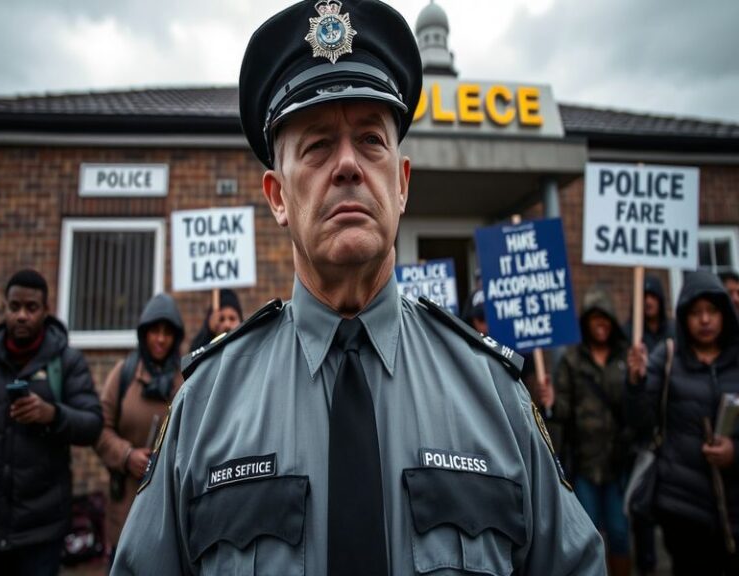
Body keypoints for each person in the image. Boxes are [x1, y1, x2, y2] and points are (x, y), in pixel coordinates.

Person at [112, 1, 605, 574]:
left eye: (371, 140)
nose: (347, 165)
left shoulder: (494, 393)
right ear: (277, 197)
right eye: (317, 146)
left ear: (401, 183)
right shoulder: (205, 403)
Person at [0, 269, 102, 576]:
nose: (21, 316)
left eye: (31, 308)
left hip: (40, 534)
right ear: (4, 307)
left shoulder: (67, 362)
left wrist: (53, 414)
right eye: (14, 307)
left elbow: (92, 424)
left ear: (46, 311)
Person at [628, 271, 739, 576]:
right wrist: (636, 383)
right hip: (682, 508)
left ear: (725, 314)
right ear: (683, 317)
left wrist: (735, 451)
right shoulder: (667, 357)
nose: (705, 320)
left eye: (712, 311)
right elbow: (640, 420)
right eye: (695, 312)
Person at [540, 288, 632, 576]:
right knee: (587, 535)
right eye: (595, 318)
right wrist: (552, 403)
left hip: (617, 465)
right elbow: (563, 413)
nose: (601, 324)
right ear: (586, 323)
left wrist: (640, 380)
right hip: (584, 464)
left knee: (619, 533)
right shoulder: (572, 360)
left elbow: (636, 408)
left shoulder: (625, 358)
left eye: (605, 318)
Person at [95, 293, 185, 568]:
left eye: (168, 333)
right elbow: (100, 428)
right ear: (143, 333)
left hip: (169, 509)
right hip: (127, 507)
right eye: (154, 331)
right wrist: (127, 456)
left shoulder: (186, 376)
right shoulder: (124, 374)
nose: (160, 339)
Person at [622, 274, 673, 576]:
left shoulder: (674, 338)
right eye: (644, 296)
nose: (649, 301)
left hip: (670, 437)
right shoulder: (630, 335)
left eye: (653, 295)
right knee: (641, 513)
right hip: (640, 441)